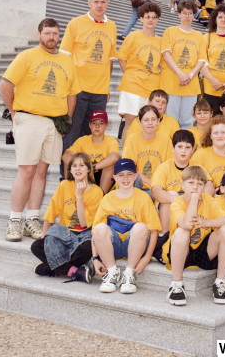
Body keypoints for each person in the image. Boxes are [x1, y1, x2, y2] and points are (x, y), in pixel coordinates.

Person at [0, 18, 80, 242]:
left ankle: (32, 219)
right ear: (39, 35)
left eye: (55, 33)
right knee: (26, 170)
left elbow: (72, 93)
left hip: (54, 123)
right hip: (29, 118)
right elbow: (5, 84)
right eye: (47, 33)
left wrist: (68, 120)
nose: (51, 37)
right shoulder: (27, 56)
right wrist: (14, 112)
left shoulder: (67, 60)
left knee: (42, 171)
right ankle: (15, 220)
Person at [163, 165, 225, 305]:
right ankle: (176, 285)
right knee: (182, 232)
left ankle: (220, 283)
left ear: (204, 187)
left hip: (203, 250)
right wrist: (194, 199)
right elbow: (187, 224)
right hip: (182, 251)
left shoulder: (208, 200)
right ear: (182, 185)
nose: (195, 187)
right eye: (191, 183)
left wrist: (205, 222)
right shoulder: (177, 202)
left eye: (199, 184)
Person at [92, 158, 161, 294]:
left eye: (129, 174)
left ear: (136, 176)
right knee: (100, 228)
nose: (125, 178)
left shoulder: (143, 197)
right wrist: (94, 259)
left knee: (141, 227)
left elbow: (153, 231)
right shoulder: (108, 198)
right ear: (114, 178)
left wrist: (147, 257)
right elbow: (94, 232)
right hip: (114, 246)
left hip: (136, 245)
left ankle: (129, 274)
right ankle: (112, 272)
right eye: (121, 175)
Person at [31, 152, 103, 281]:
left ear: (88, 169)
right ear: (70, 170)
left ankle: (51, 267)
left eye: (82, 165)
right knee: (36, 246)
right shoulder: (64, 185)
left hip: (83, 237)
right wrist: (44, 237)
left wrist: (79, 196)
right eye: (74, 166)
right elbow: (51, 212)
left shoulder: (97, 191)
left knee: (89, 248)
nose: (78, 169)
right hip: (64, 236)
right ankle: (74, 271)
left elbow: (84, 223)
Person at [61, 0, 116, 153]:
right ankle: (68, 174)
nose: (99, 5)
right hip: (77, 88)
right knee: (72, 131)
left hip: (99, 91)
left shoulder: (112, 26)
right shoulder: (76, 23)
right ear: (89, 3)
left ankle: (87, 171)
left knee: (94, 133)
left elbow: (110, 60)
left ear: (107, 4)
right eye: (96, 2)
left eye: (103, 2)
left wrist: (106, 88)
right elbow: (64, 57)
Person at [116, 2, 162, 144]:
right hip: (133, 86)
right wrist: (131, 75)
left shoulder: (160, 41)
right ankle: (126, 158)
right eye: (147, 17)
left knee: (148, 124)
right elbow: (122, 59)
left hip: (151, 87)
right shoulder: (133, 36)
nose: (150, 20)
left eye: (153, 17)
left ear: (157, 19)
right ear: (141, 18)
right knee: (130, 123)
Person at [160, 0, 207, 128]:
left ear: (193, 15)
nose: (187, 16)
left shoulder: (199, 36)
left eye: (190, 13)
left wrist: (190, 76)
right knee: (170, 121)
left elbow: (201, 59)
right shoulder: (170, 31)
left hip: (190, 86)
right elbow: (166, 54)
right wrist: (180, 74)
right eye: (184, 13)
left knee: (187, 122)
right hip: (171, 83)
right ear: (179, 14)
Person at [62, 110, 119, 193]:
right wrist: (79, 168)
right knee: (68, 163)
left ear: (106, 126)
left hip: (100, 175)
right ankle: (71, 193)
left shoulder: (111, 141)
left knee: (111, 165)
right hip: (84, 175)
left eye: (101, 123)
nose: (97, 126)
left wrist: (92, 167)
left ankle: (101, 196)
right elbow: (66, 156)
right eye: (94, 123)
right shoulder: (82, 140)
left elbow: (114, 157)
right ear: (89, 125)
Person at [151, 129, 196, 232]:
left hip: (189, 204)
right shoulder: (164, 167)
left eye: (187, 147)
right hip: (170, 205)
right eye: (180, 147)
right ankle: (164, 234)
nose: (183, 151)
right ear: (173, 148)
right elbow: (155, 191)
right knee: (170, 194)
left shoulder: (196, 167)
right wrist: (176, 199)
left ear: (193, 150)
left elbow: (209, 186)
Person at [122, 104, 173, 191]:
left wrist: (157, 186)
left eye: (153, 119)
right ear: (139, 123)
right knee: (131, 176)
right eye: (146, 120)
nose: (150, 123)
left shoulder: (165, 138)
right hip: (136, 186)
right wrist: (151, 183)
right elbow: (128, 167)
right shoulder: (132, 139)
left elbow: (170, 165)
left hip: (158, 188)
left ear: (158, 121)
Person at [190, 115, 225, 193]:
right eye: (215, 133)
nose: (219, 136)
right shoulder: (200, 155)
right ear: (210, 136)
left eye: (223, 132)